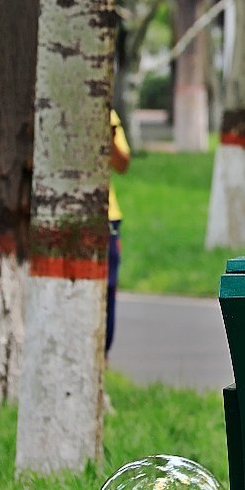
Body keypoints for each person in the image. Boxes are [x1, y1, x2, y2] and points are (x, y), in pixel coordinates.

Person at [107, 109, 130, 359]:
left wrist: (108, 136)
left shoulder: (106, 112)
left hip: (107, 216)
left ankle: (103, 357)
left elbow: (123, 163)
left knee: (108, 288)